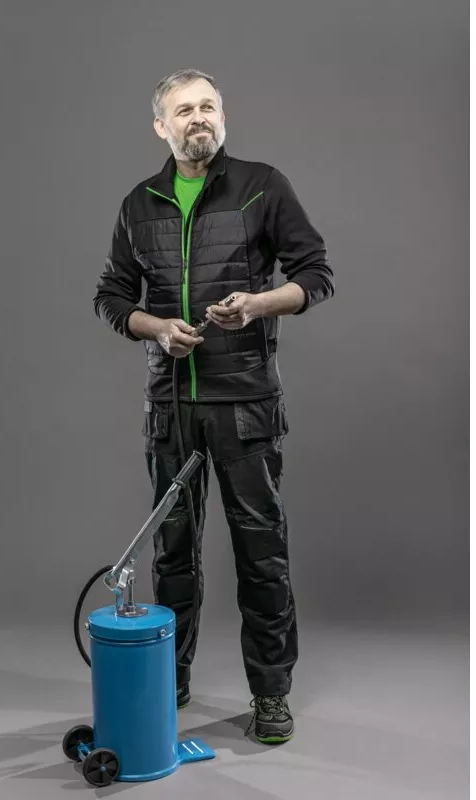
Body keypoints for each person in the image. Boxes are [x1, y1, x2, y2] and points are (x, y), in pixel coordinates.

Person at [92, 68, 334, 744]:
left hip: (245, 405)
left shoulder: (262, 185)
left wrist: (258, 304)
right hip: (171, 407)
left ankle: (271, 694)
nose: (197, 118)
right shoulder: (139, 203)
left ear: (222, 117)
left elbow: (316, 274)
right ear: (160, 126)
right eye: (183, 110)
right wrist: (156, 328)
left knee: (262, 554)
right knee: (173, 557)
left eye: (208, 107)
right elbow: (112, 296)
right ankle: (166, 685)